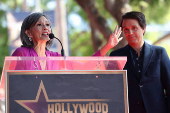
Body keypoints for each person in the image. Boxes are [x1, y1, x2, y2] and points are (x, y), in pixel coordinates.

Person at [12, 12, 123, 70]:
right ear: (28, 33)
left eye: (48, 24)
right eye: (39, 24)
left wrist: (108, 46)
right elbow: (13, 85)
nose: (45, 28)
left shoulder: (55, 58)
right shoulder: (21, 54)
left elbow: (85, 66)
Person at [109, 11, 170, 113]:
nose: (130, 33)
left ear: (143, 28)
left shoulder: (159, 53)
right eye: (126, 29)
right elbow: (111, 90)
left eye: (134, 28)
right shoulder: (115, 56)